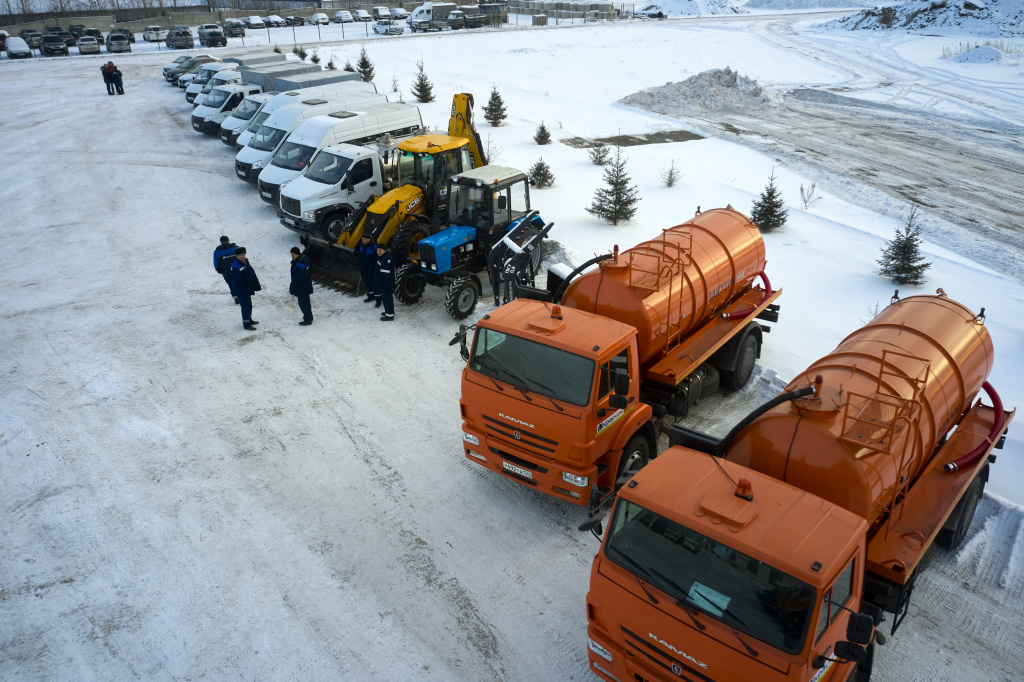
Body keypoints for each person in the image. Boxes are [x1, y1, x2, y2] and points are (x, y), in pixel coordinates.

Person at [228, 247, 261, 330]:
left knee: (249, 305)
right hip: (242, 291)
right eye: (241, 255)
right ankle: (246, 324)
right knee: (245, 307)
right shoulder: (236, 267)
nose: (243, 256)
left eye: (244, 254)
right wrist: (244, 290)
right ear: (236, 256)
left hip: (247, 288)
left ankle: (249, 320)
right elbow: (237, 282)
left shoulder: (244, 262)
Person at [289, 246, 314, 326]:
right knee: (307, 302)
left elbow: (297, 277)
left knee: (303, 303)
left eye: (293, 254)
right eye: (291, 254)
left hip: (301, 286)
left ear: (297, 254)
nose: (292, 256)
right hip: (306, 284)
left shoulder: (299, 264)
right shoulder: (304, 259)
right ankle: (309, 317)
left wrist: (292, 286)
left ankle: (307, 320)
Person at [374, 244, 396, 322]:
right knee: (387, 299)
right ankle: (389, 312)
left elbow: (384, 275)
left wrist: (378, 282)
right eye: (377, 250)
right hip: (385, 283)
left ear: (385, 250)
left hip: (386, 284)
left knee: (387, 299)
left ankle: (390, 316)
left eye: (380, 250)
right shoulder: (382, 258)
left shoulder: (386, 260)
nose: (379, 252)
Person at [213, 236, 238, 302]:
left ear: (221, 242)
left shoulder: (217, 252)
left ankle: (236, 297)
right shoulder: (235, 248)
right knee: (240, 280)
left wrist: (219, 270)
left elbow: (216, 262)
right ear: (228, 240)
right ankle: (243, 295)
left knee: (231, 283)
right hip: (237, 268)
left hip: (226, 270)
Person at [356, 233, 378, 302]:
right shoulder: (361, 246)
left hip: (371, 269)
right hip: (364, 268)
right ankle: (370, 296)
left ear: (369, 239)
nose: (363, 241)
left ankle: (378, 297)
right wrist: (359, 264)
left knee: (373, 283)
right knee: (367, 283)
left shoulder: (374, 247)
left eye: (364, 239)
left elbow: (375, 259)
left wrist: (371, 268)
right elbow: (360, 256)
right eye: (362, 239)